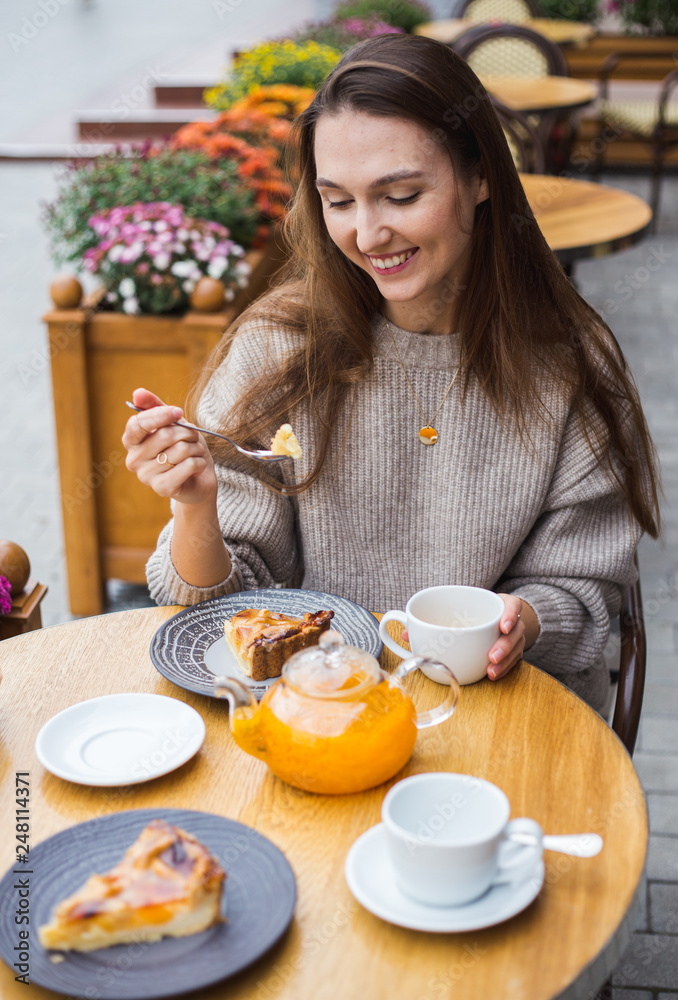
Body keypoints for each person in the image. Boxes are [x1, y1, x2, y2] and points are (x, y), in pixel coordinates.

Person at [122, 33, 660, 714]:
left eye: (401, 195)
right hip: (311, 711)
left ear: (480, 176)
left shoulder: (569, 364)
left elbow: (581, 595)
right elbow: (226, 614)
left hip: (502, 715)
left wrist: (522, 620)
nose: (368, 235)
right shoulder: (277, 347)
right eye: (339, 201)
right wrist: (194, 506)